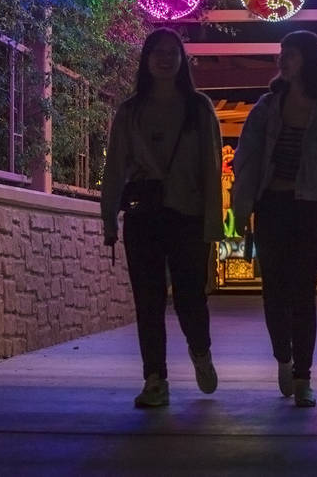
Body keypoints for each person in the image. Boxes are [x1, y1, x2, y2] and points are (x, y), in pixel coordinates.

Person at [231, 30, 317, 407]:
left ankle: (303, 376)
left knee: (303, 293)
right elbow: (245, 162)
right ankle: (283, 356)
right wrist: (238, 212)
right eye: (281, 53)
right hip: (272, 205)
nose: (283, 60)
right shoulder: (267, 107)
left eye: (290, 54)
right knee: (274, 290)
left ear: (309, 60)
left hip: (313, 207)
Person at [100, 28, 224, 409]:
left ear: (182, 60)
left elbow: (212, 168)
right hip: (144, 214)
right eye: (157, 52)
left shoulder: (198, 109)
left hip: (187, 215)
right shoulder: (130, 111)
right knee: (148, 301)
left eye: (172, 52)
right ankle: (155, 378)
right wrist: (108, 219)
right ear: (146, 59)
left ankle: (199, 350)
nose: (165, 58)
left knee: (190, 298)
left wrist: (212, 224)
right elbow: (115, 168)